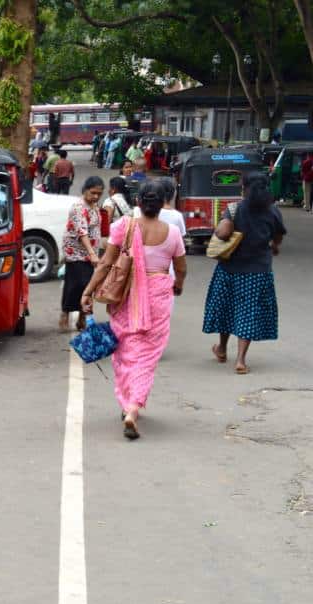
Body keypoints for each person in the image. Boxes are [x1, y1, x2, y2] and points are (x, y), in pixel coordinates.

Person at [80, 179, 188, 440]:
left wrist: (88, 291)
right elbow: (181, 268)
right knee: (147, 358)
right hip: (159, 296)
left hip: (126, 295)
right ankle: (133, 407)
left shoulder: (123, 227)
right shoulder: (172, 233)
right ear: (163, 204)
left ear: (138, 203)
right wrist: (179, 285)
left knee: (126, 351)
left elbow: (106, 263)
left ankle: (128, 404)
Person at [202, 171, 285, 375]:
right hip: (258, 270)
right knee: (247, 312)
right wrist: (274, 247)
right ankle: (240, 360)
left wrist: (220, 227)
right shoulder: (273, 211)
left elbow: (222, 233)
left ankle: (221, 349)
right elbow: (278, 236)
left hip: (230, 267)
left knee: (226, 308)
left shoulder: (234, 208)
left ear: (244, 188)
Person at [60, 176, 105, 332]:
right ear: (85, 190)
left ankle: (82, 316)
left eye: (99, 193)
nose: (96, 196)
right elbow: (82, 232)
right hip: (76, 251)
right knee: (76, 284)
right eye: (93, 193)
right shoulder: (78, 207)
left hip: (91, 251)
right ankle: (66, 312)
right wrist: (92, 253)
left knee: (88, 284)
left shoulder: (95, 206)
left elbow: (96, 229)